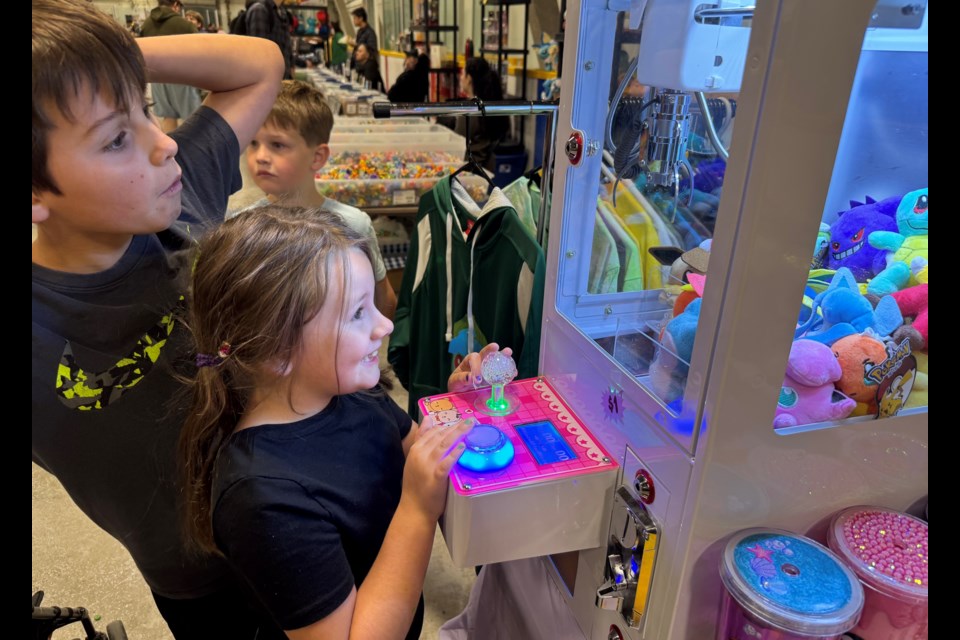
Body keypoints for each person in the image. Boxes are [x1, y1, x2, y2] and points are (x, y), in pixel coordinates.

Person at [32, 1, 286, 637]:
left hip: (302, 514)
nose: (163, 142)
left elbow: (261, 65)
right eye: (117, 138)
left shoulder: (180, 199)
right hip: (198, 586)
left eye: (144, 109)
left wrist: (101, 64)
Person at [179, 205, 509, 639]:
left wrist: (466, 405)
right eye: (357, 314)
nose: (385, 324)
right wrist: (415, 510)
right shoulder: (263, 501)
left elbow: (420, 451)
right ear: (275, 351)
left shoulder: (353, 394)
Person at [232, 79, 398, 319]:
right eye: (254, 143)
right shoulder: (242, 227)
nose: (261, 157)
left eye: (277, 145)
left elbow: (383, 302)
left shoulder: (352, 225)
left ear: (317, 157)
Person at [139, 0, 202, 133]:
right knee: (193, 119)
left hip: (157, 79)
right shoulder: (185, 25)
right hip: (182, 78)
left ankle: (171, 152)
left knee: (168, 116)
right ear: (175, 5)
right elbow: (200, 53)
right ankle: (194, 153)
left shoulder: (146, 24)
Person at [447, 57, 511, 171]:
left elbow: (456, 146)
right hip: (485, 168)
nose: (460, 78)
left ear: (469, 78)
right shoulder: (487, 105)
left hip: (469, 171)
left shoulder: (470, 111)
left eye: (462, 74)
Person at [244, 0, 294, 79]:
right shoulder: (260, 10)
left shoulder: (282, 12)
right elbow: (260, 54)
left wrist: (291, 67)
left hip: (283, 79)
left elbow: (287, 46)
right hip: (270, 81)